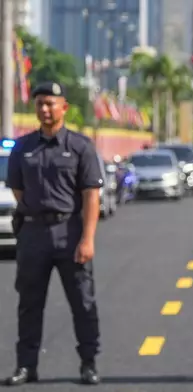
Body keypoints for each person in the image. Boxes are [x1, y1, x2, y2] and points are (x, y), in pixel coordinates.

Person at [4, 82, 103, 386]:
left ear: (64, 108)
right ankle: (26, 366)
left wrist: (87, 238)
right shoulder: (23, 147)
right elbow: (18, 190)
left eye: (50, 103)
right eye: (39, 104)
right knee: (29, 303)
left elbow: (91, 196)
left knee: (82, 302)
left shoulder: (80, 146)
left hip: (70, 233)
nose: (44, 109)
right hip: (33, 233)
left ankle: (88, 363)